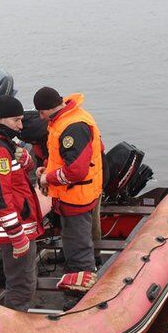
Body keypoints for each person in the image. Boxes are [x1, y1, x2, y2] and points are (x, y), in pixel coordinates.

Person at [0, 96, 43, 311]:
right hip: (15, 226)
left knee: (22, 277)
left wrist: (25, 160)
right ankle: (14, 326)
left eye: (22, 120)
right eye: (16, 121)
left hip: (18, 221)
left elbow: (20, 173)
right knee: (22, 283)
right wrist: (17, 235)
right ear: (1, 120)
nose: (21, 126)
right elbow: (0, 196)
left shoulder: (3, 142)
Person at [33, 86, 104, 292]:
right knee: (75, 237)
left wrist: (48, 178)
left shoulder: (71, 126)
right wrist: (47, 168)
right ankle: (79, 270)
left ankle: (84, 283)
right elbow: (65, 157)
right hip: (76, 193)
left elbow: (76, 171)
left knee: (78, 241)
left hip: (76, 196)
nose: (41, 117)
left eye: (41, 113)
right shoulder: (71, 118)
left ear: (44, 110)